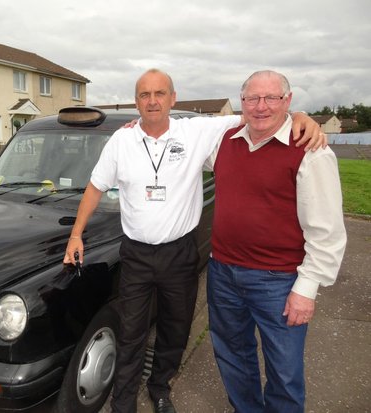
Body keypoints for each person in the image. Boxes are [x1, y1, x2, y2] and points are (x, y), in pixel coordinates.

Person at [63, 69, 322, 413]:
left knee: (175, 329)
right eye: (144, 95)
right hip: (137, 255)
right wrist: (76, 234)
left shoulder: (198, 130)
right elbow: (95, 188)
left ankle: (160, 389)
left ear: (173, 98)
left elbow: (257, 113)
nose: (152, 101)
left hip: (180, 253)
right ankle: (123, 403)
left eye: (160, 93)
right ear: (136, 101)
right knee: (131, 332)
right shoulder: (121, 141)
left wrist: (301, 116)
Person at [204, 70, 347, 413]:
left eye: (272, 98)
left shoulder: (309, 151)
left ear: (288, 101)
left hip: (279, 282)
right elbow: (175, 139)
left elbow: (326, 229)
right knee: (233, 357)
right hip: (223, 273)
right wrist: (140, 129)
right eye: (253, 98)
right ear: (242, 103)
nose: (261, 106)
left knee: (284, 372)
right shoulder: (225, 142)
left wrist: (307, 288)